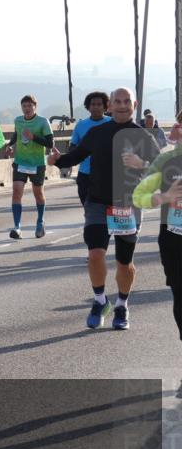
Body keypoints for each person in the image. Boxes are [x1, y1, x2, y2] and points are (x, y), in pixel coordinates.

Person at [47, 87, 161, 330]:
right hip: (97, 201)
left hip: (127, 206)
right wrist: (57, 160)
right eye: (117, 101)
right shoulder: (98, 132)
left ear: (135, 104)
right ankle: (100, 300)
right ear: (110, 106)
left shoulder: (142, 136)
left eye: (126, 101)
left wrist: (142, 164)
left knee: (123, 262)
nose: (122, 105)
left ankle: (121, 305)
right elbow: (74, 157)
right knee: (95, 254)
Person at [133, 111, 182, 342]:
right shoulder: (166, 161)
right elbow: (139, 196)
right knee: (180, 299)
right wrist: (164, 197)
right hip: (173, 240)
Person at [3, 95, 54, 239]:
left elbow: (50, 143)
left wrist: (34, 137)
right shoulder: (18, 120)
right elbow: (16, 135)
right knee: (16, 192)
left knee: (38, 194)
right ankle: (17, 227)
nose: (27, 109)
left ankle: (40, 221)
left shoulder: (43, 122)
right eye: (24, 106)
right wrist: (10, 145)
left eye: (29, 106)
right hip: (21, 162)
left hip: (37, 163)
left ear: (35, 106)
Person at [69, 92, 112, 205]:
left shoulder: (112, 123)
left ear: (105, 107)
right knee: (88, 209)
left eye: (99, 104)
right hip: (85, 174)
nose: (96, 107)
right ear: (88, 107)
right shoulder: (81, 125)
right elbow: (73, 146)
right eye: (93, 104)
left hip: (107, 175)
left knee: (107, 210)